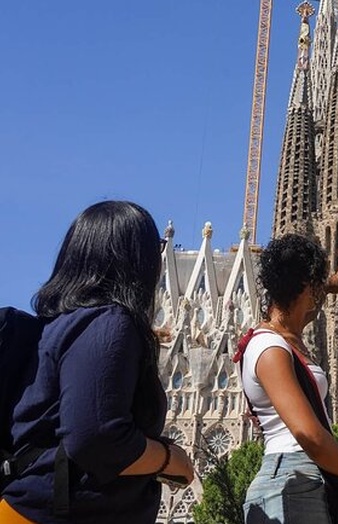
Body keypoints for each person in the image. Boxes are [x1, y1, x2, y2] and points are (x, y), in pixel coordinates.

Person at [0, 201, 194, 523]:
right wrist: (170, 460)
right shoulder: (111, 322)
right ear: (135, 258)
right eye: (157, 249)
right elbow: (96, 438)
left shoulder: (60, 328)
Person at [240, 233, 338, 523]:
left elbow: (297, 315)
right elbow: (308, 434)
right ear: (305, 288)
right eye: (314, 287)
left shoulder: (286, 337)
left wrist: (326, 287)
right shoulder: (270, 348)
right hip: (292, 479)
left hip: (299, 476)